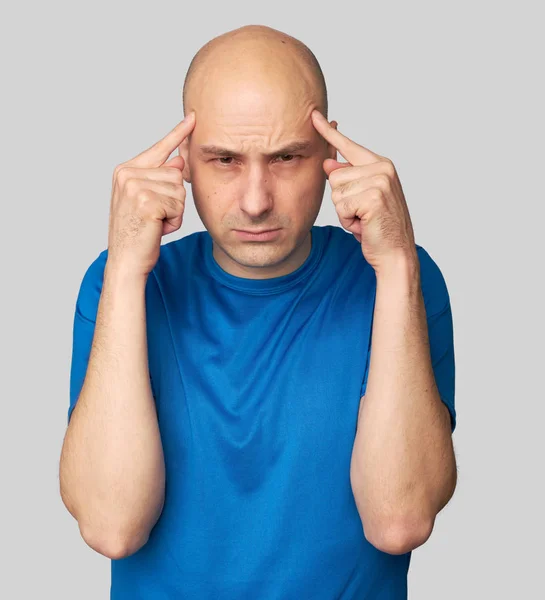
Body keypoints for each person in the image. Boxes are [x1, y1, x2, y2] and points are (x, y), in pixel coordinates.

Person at [59, 24, 457, 600]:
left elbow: (400, 520)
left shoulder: (399, 276)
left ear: (331, 155)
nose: (255, 200)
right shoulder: (120, 282)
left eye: (287, 157)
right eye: (223, 159)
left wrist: (396, 265)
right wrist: (125, 270)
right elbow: (111, 526)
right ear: (183, 163)